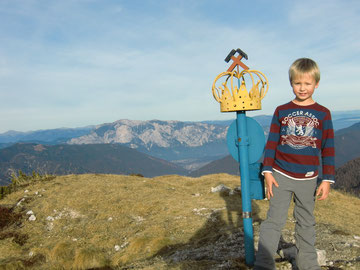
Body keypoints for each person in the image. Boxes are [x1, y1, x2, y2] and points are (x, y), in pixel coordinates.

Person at [254, 58, 335, 270]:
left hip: (308, 179)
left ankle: (308, 265)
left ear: (316, 84)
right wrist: (267, 171)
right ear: (291, 83)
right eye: (298, 83)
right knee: (274, 222)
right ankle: (263, 265)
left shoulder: (323, 113)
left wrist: (327, 179)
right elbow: (272, 142)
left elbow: (328, 147)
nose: (302, 88)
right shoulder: (281, 110)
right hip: (280, 175)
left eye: (307, 83)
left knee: (306, 223)